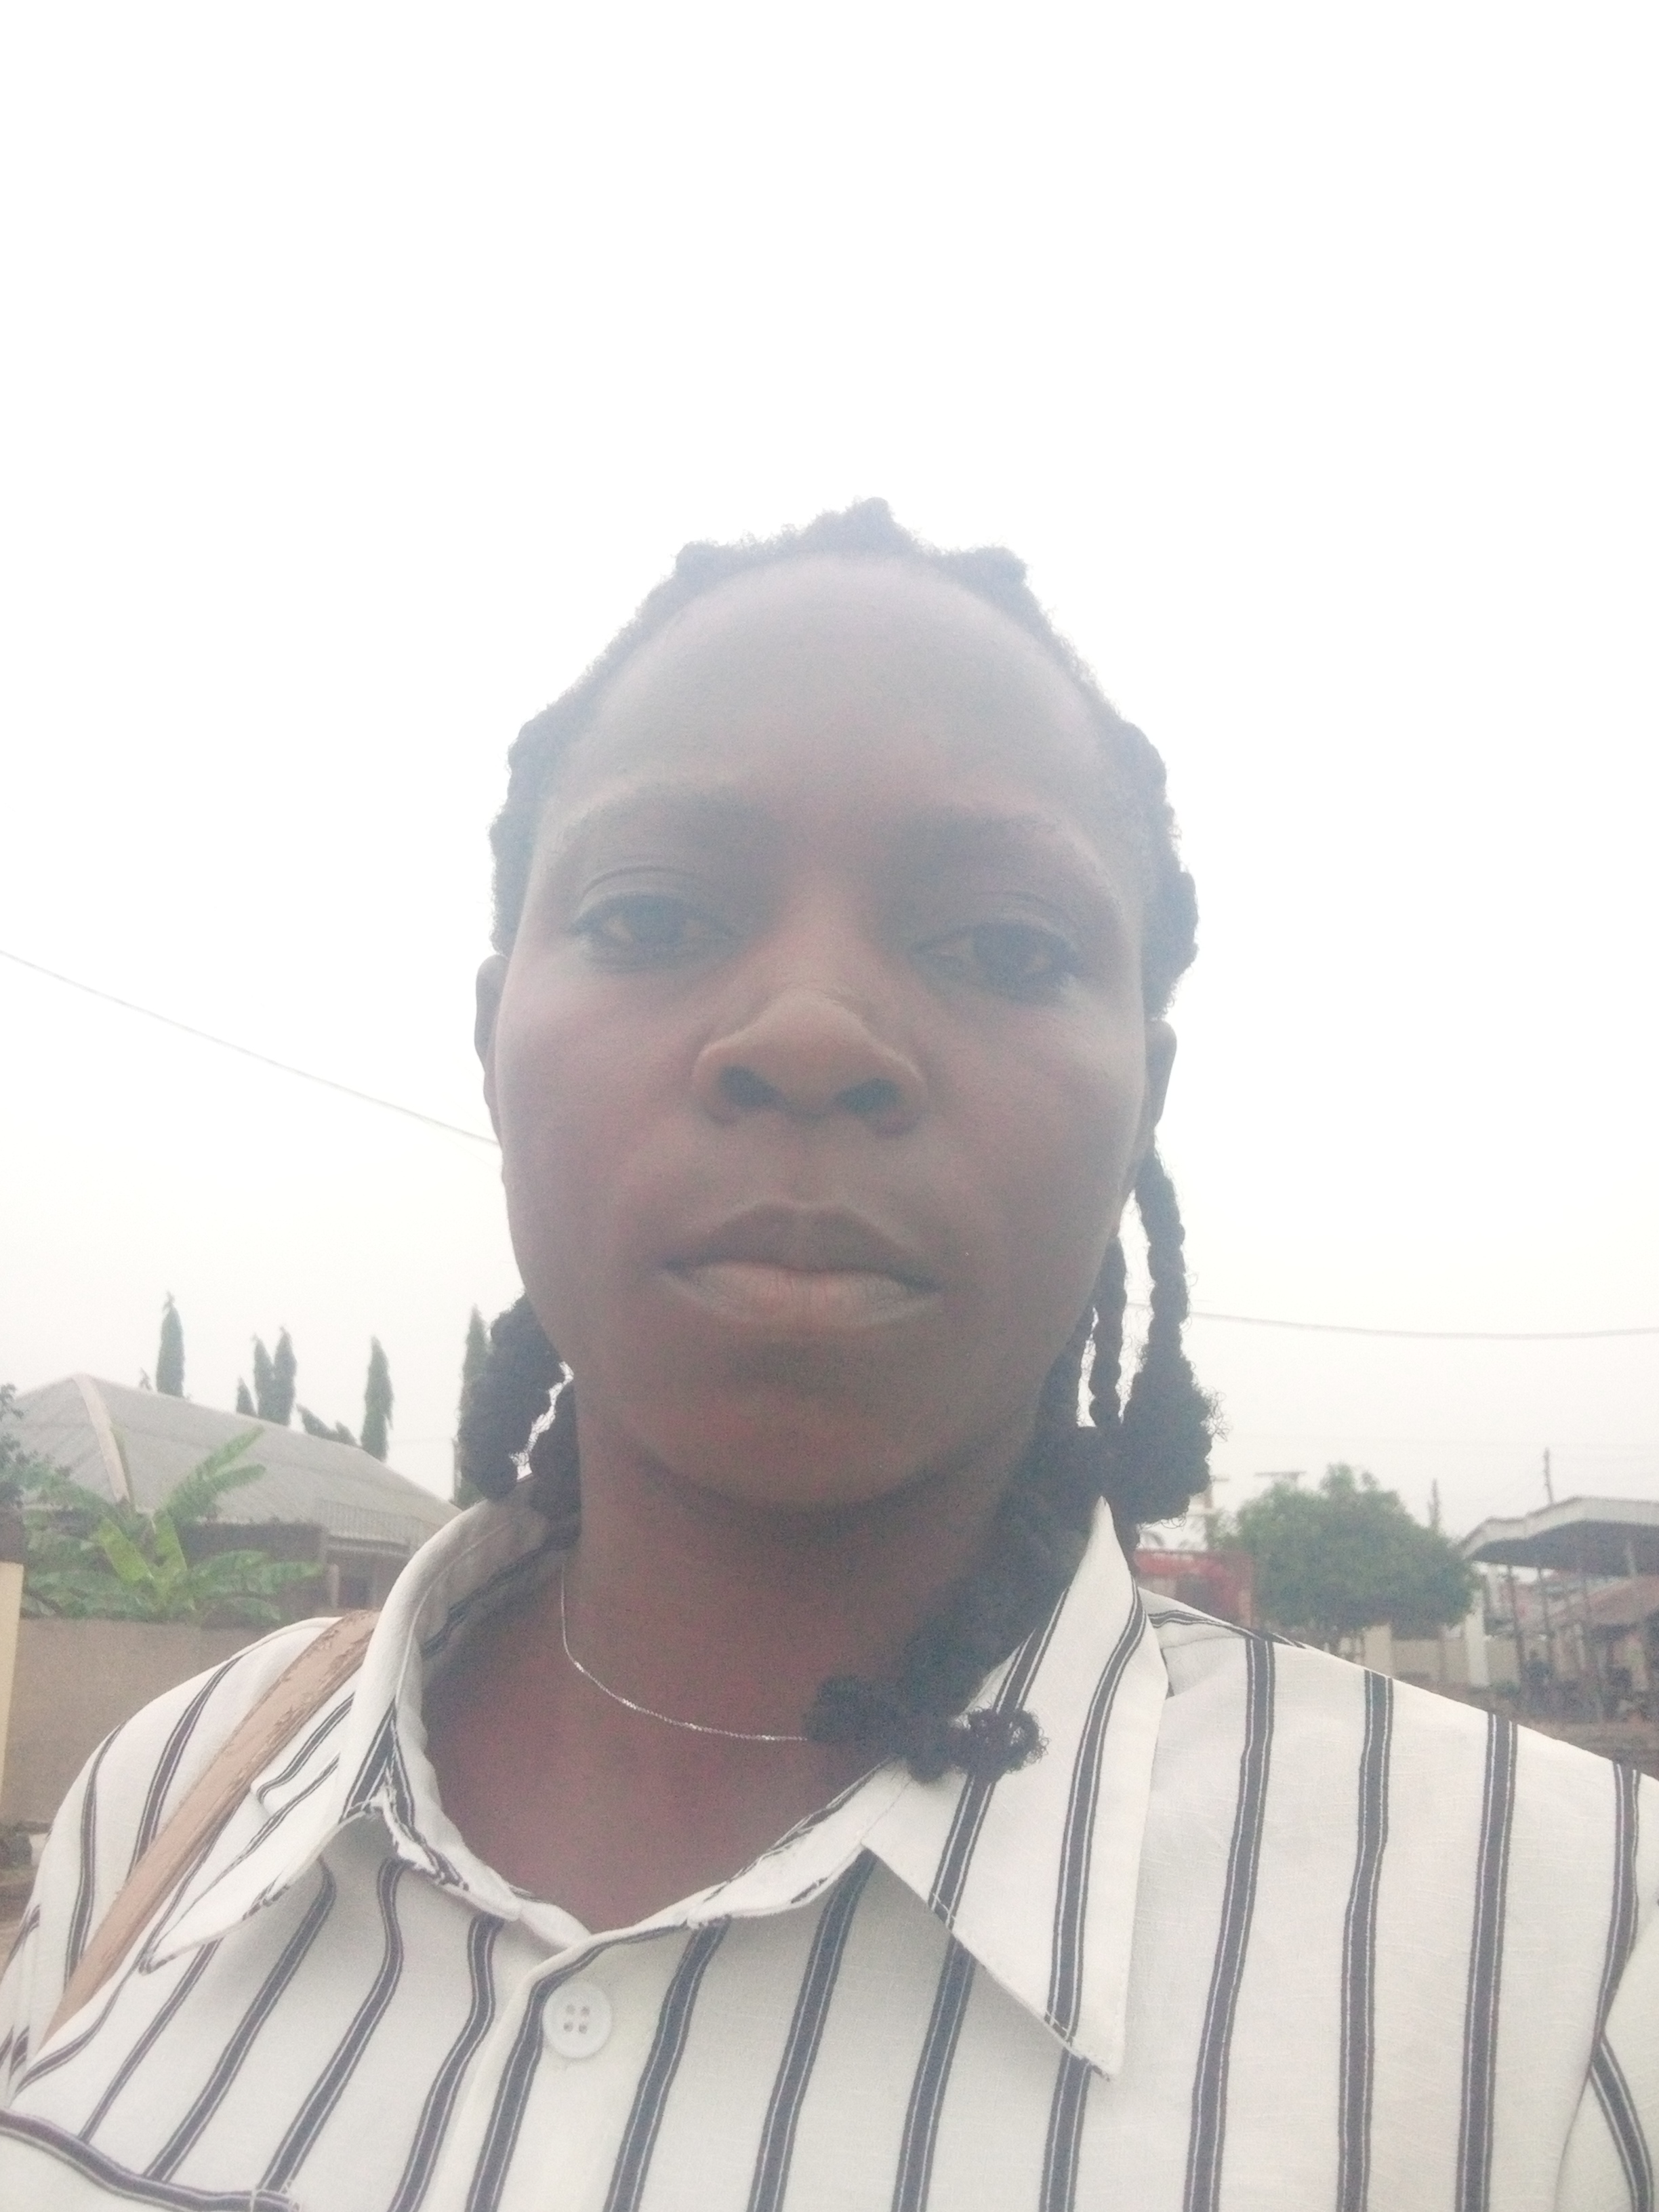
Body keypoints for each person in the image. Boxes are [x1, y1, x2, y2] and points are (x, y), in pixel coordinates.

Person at [0, 502, 1652, 2210]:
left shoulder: (1571, 1969)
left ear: (1140, 1102)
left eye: (1004, 946)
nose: (809, 1032)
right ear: (494, 1039)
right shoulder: (169, 1807)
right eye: (653, 915)